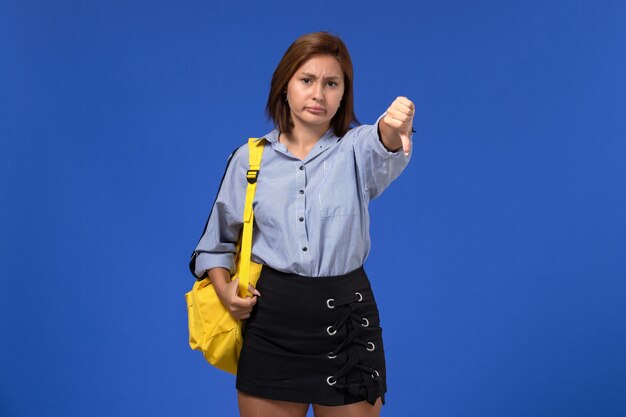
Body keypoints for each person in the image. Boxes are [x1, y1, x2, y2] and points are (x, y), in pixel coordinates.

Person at [189, 31, 414, 417]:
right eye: (307, 80)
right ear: (285, 87)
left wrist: (392, 131)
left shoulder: (356, 149)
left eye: (332, 83)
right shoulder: (249, 159)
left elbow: (382, 145)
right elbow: (216, 245)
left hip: (348, 321)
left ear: (344, 93)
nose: (319, 94)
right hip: (271, 324)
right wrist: (227, 294)